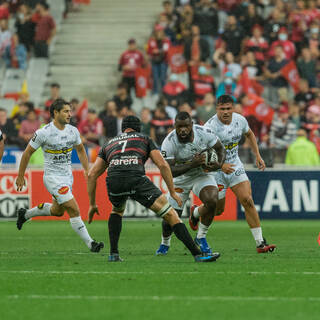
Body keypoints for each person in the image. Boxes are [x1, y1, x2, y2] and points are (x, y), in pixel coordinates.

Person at [87, 115, 220, 263]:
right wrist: (172, 192)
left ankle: (113, 254)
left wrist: (92, 204)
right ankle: (198, 255)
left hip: (113, 180)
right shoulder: (144, 139)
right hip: (136, 178)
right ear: (139, 128)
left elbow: (92, 174)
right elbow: (163, 165)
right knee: (171, 215)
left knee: (117, 210)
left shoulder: (108, 143)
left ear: (122, 129)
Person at [15, 99, 104, 253]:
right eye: (66, 111)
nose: (70, 114)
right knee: (73, 209)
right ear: (55, 113)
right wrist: (20, 175)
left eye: (70, 111)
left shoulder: (73, 131)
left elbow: (81, 149)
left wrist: (86, 169)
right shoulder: (44, 132)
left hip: (67, 177)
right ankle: (91, 244)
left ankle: (26, 214)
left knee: (58, 211)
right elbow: (27, 152)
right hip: (52, 178)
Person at [204, 94, 276, 253]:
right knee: (217, 210)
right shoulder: (209, 127)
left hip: (235, 166)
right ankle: (196, 212)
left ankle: (260, 243)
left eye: (228, 108)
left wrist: (257, 155)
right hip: (217, 170)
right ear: (217, 109)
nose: (225, 112)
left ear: (233, 108)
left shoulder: (240, 120)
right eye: (222, 109)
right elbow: (204, 153)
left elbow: (249, 134)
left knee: (247, 200)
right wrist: (221, 166)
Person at [155, 111, 226, 255]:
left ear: (191, 125)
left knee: (212, 201)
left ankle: (201, 237)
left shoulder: (204, 132)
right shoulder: (168, 143)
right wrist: (192, 164)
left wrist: (218, 164)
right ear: (174, 125)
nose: (183, 130)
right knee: (171, 217)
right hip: (180, 179)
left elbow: (220, 149)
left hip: (201, 174)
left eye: (186, 126)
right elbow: (169, 171)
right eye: (179, 126)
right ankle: (165, 243)